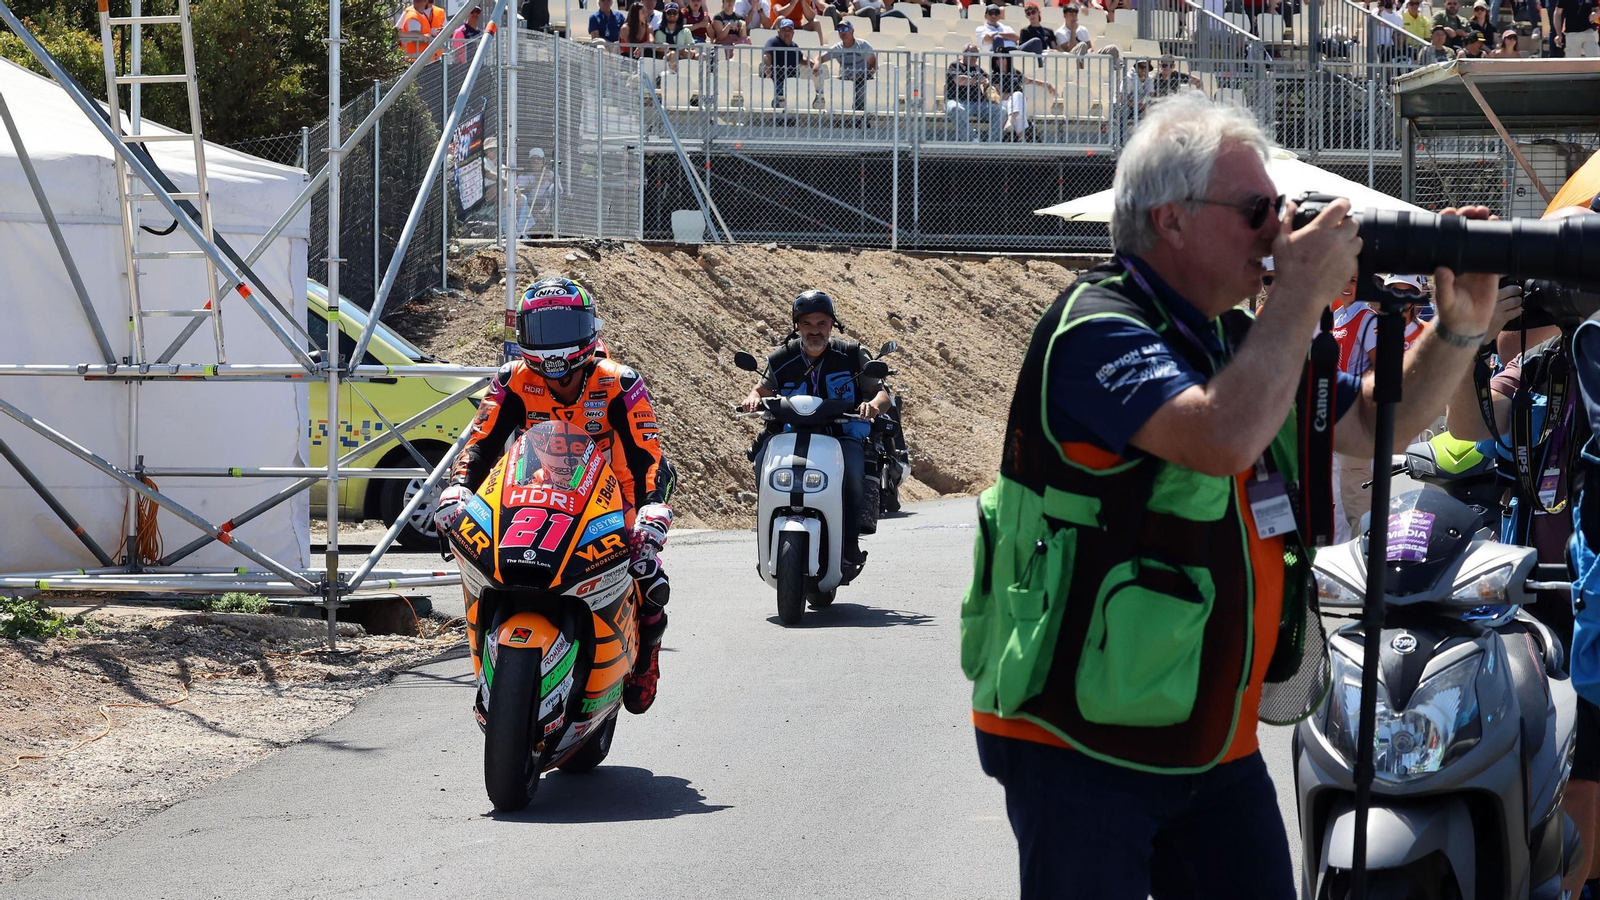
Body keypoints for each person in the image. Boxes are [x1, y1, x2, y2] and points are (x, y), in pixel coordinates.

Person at [961, 92, 1504, 899]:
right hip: (1081, 741)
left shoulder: (1234, 339)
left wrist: (1459, 326)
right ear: (1171, 219)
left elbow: (1374, 424)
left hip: (1210, 738)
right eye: (1256, 209)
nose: (1275, 229)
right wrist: (1299, 295)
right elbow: (1218, 438)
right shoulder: (1094, 326)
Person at [437, 278, 676, 716]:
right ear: (524, 335)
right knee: (477, 550)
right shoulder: (511, 379)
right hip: (532, 492)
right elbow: (480, 443)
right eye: (542, 331)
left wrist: (651, 506)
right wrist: (458, 488)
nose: (554, 347)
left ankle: (646, 662)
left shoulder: (621, 382)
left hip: (609, 498)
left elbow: (648, 453)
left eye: (565, 329)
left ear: (591, 328)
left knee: (650, 575)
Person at [739, 290, 890, 583]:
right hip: (790, 435)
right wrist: (752, 399)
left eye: (821, 323)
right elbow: (760, 390)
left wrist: (872, 406)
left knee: (854, 473)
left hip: (841, 436)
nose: (814, 331)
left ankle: (848, 543)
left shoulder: (851, 355)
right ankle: (769, 539)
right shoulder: (782, 358)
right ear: (797, 325)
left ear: (832, 325)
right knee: (761, 465)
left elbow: (880, 392)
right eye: (807, 323)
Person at [991, 38, 1055, 140]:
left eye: (1002, 58)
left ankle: (1011, 122)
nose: (999, 61)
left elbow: (1028, 80)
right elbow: (998, 95)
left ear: (1007, 59)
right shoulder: (995, 75)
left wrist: (1046, 84)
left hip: (1016, 102)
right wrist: (1012, 96)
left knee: (1018, 97)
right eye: (997, 59)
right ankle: (1022, 137)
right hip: (1004, 103)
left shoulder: (1015, 72)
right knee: (1019, 101)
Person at [945, 45, 1005, 141]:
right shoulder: (955, 66)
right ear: (964, 53)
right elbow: (959, 80)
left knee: (1001, 111)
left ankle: (993, 141)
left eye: (976, 56)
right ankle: (972, 139)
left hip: (978, 104)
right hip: (959, 101)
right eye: (972, 55)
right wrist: (976, 79)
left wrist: (988, 84)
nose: (974, 58)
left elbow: (989, 83)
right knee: (955, 108)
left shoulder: (979, 69)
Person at [813, 21, 877, 109]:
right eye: (840, 29)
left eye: (845, 29)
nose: (842, 32)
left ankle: (861, 119)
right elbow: (819, 57)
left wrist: (866, 76)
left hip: (862, 80)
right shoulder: (837, 48)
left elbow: (873, 63)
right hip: (845, 80)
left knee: (861, 95)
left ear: (852, 31)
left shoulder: (863, 45)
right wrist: (816, 64)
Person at [763, 19, 814, 105]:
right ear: (779, 31)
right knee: (773, 92)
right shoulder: (773, 42)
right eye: (784, 30)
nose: (787, 32)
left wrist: (812, 63)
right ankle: (776, 116)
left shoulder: (794, 46)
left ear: (793, 33)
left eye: (789, 30)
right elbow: (766, 56)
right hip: (776, 81)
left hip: (792, 83)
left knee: (810, 92)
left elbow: (801, 58)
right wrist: (768, 75)